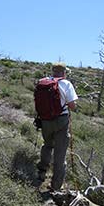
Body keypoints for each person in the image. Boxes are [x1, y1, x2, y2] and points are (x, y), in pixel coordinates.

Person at [36, 62, 78, 191]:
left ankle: (42, 172)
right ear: (64, 72)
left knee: (47, 145)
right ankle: (55, 186)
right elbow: (72, 105)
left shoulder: (42, 82)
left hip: (45, 120)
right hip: (61, 120)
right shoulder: (66, 84)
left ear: (53, 71)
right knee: (60, 153)